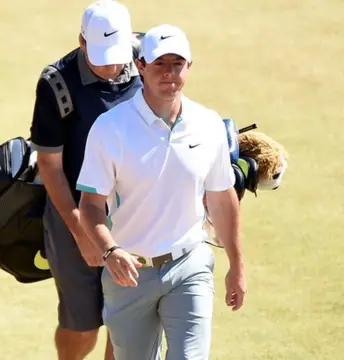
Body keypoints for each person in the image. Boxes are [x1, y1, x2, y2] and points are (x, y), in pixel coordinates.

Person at [75, 23, 247, 360]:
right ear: (140, 67)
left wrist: (237, 266)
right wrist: (110, 252)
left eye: (177, 64)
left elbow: (222, 199)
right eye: (159, 64)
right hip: (129, 273)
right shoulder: (110, 129)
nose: (169, 73)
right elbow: (91, 206)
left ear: (189, 67)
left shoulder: (208, 124)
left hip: (189, 264)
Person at [28, 1, 143, 359]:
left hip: (135, 211)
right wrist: (82, 232)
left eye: (118, 54)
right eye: (102, 55)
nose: (112, 66)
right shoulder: (56, 82)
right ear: (82, 41)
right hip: (74, 215)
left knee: (125, 321)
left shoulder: (148, 61)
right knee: (82, 326)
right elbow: (50, 165)